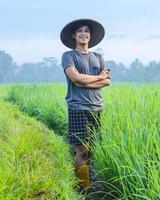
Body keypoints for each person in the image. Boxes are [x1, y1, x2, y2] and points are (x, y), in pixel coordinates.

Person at [60, 19, 111, 192]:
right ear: (74, 35)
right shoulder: (68, 56)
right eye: (80, 31)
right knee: (81, 150)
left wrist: (84, 81)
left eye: (87, 31)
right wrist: (97, 77)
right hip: (78, 108)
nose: (84, 34)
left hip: (97, 107)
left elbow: (107, 81)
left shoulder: (98, 57)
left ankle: (88, 182)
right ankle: (85, 192)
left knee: (94, 149)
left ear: (90, 35)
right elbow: (75, 78)